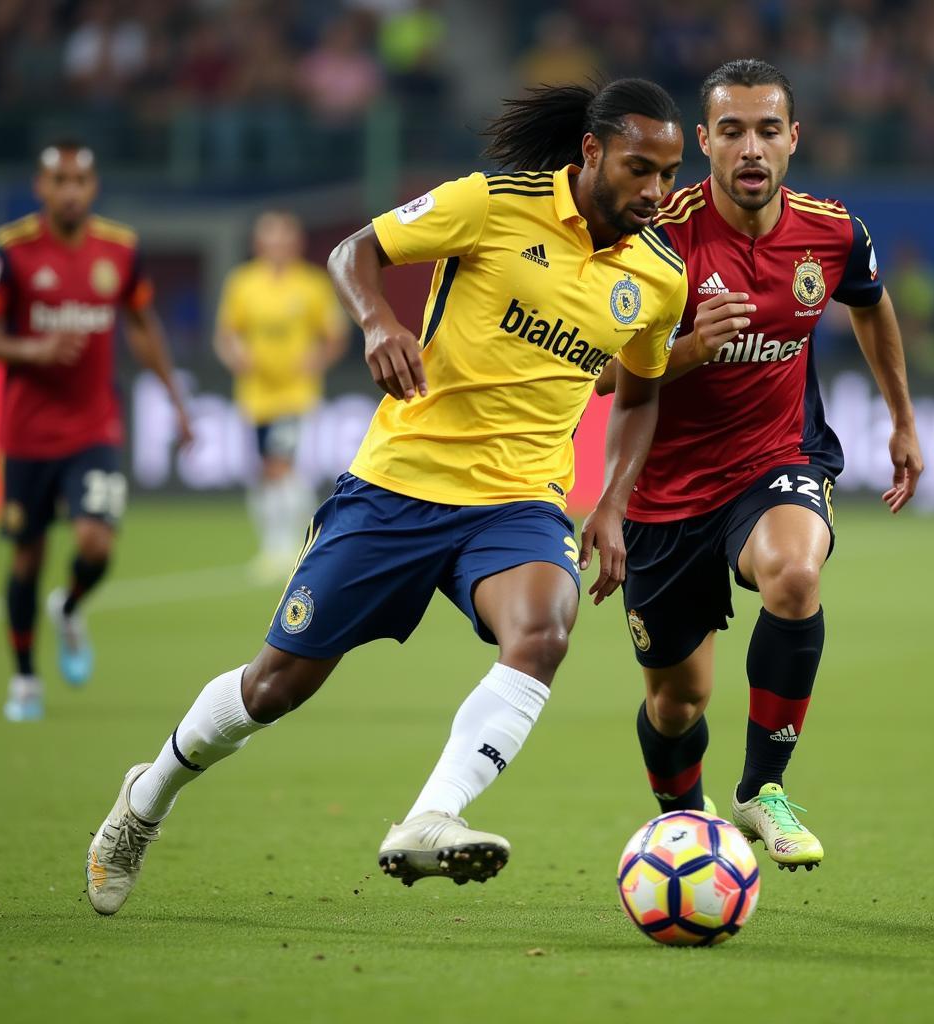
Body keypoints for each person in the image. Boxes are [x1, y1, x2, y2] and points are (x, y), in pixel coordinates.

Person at [83, 78, 689, 916]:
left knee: (545, 629)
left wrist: (614, 501)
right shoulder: (490, 204)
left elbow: (640, 393)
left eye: (667, 173)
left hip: (518, 500)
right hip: (396, 487)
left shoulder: (659, 276)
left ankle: (430, 815)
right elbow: (352, 252)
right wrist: (377, 321)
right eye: (639, 169)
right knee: (274, 689)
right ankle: (144, 801)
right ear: (591, 153)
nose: (656, 192)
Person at [595, 59, 923, 871]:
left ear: (793, 139)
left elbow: (871, 304)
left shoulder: (833, 231)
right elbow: (599, 371)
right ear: (704, 141)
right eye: (732, 131)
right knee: (677, 706)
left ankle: (762, 789)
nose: (751, 149)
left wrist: (902, 418)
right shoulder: (656, 235)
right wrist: (686, 349)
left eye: (768, 130)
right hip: (665, 493)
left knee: (795, 574)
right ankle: (685, 824)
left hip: (775, 461)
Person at [0, 141, 192, 722]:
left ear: (93, 189)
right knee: (27, 556)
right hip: (25, 434)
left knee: (96, 542)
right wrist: (34, 348)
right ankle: (24, 679)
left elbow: (143, 325)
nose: (70, 191)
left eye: (80, 181)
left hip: (95, 426)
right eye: (59, 180)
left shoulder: (119, 251)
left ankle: (68, 606)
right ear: (40, 188)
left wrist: (176, 400)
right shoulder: (9, 251)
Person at [214, 210, 348, 580]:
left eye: (283, 238)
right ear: (258, 244)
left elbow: (335, 335)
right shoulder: (242, 283)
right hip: (256, 392)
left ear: (295, 243)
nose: (276, 246)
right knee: (266, 470)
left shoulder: (311, 285)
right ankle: (278, 544)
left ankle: (285, 546)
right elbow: (227, 334)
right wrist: (235, 355)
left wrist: (315, 359)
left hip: (295, 393)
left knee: (279, 463)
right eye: (269, 239)